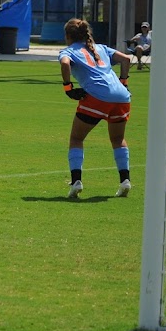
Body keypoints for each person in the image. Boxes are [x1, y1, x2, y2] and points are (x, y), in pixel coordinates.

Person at [58, 17, 133, 199]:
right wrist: (123, 81)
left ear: (68, 35)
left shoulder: (68, 51)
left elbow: (65, 63)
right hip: (122, 97)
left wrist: (68, 87)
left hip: (97, 98)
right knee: (118, 139)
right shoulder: (102, 48)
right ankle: (125, 181)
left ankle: (76, 182)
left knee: (76, 138)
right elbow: (126, 59)